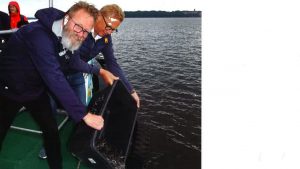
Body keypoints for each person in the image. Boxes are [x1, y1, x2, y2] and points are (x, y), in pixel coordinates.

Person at [0, 1, 118, 169]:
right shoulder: (37, 35)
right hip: (8, 91)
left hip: (35, 90)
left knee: (51, 131)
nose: (81, 34)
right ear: (66, 18)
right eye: (79, 27)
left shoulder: (69, 34)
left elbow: (73, 61)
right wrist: (84, 115)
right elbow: (54, 76)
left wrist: (99, 71)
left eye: (86, 31)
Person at [38, 4, 140, 160]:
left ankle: (79, 145)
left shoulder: (105, 38)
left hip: (77, 75)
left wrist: (130, 90)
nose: (109, 32)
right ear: (98, 16)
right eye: (108, 27)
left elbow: (112, 63)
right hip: (56, 74)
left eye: (114, 30)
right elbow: (73, 60)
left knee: (81, 108)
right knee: (49, 111)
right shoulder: (81, 29)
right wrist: (99, 71)